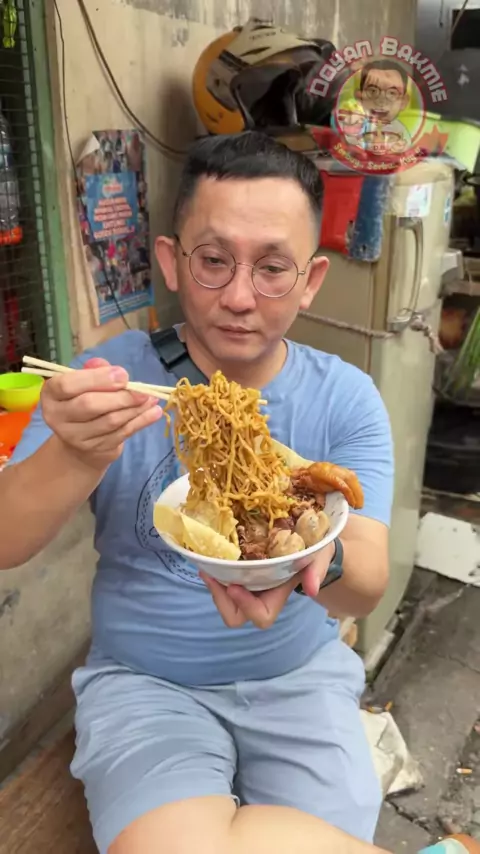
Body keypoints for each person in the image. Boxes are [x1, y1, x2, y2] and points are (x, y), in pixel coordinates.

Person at [0, 131, 397, 854]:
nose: (239, 297)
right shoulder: (111, 380)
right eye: (213, 261)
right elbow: (6, 540)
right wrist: (75, 451)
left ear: (310, 279)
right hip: (147, 685)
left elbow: (367, 583)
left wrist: (312, 562)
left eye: (271, 268)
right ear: (171, 261)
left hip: (299, 680)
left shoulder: (346, 397)